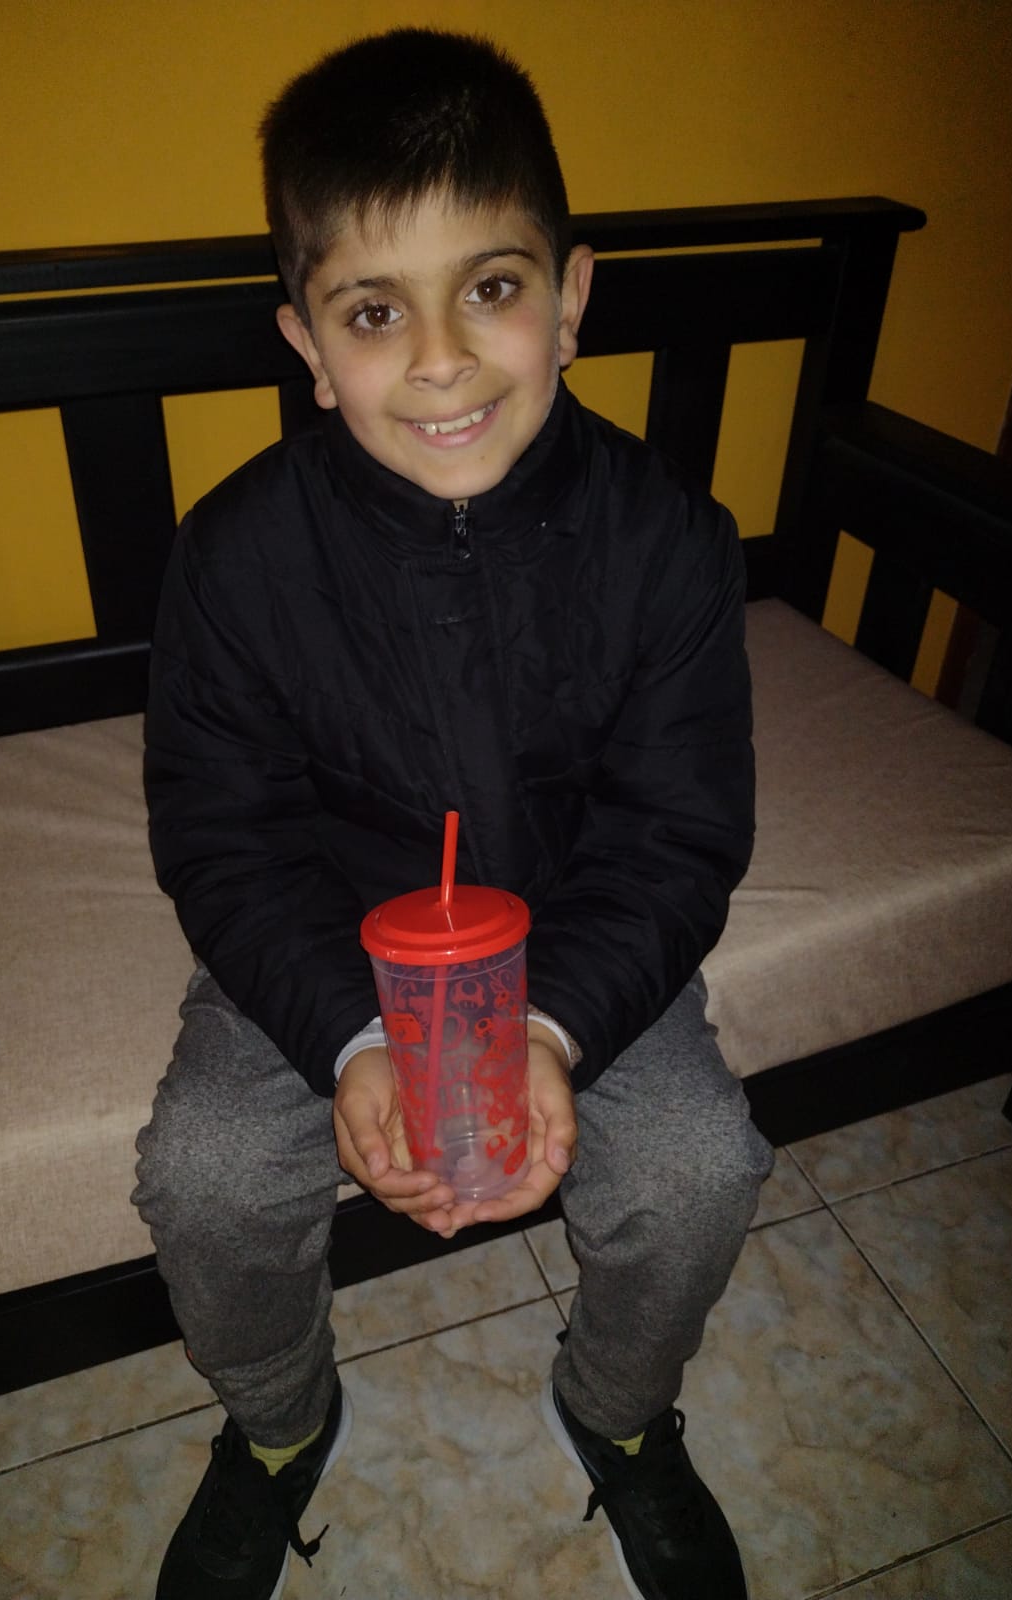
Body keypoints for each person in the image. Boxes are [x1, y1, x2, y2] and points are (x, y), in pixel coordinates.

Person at [134, 26, 773, 1600]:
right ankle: (280, 1426)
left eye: (489, 287)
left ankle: (616, 1411)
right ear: (309, 344)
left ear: (571, 296)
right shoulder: (237, 557)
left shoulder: (671, 542)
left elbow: (679, 831)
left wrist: (554, 1027)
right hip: (323, 953)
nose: (439, 359)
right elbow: (223, 836)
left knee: (700, 1167)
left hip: (577, 946)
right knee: (208, 1176)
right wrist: (353, 1039)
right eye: (374, 312)